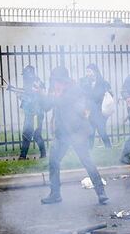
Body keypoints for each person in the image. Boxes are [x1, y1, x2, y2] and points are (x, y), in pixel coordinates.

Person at [40, 66, 107, 205]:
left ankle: (101, 192)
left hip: (77, 132)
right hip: (61, 133)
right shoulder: (54, 89)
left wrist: (49, 96)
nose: (55, 83)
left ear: (64, 80)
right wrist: (39, 95)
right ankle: (55, 194)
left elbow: (62, 102)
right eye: (54, 80)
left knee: (87, 162)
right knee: (53, 162)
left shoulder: (74, 89)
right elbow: (46, 106)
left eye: (57, 80)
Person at [17, 65, 47, 160]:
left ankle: (42, 154)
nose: (24, 77)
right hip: (30, 112)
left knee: (35, 134)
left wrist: (35, 91)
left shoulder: (36, 82)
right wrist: (20, 95)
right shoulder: (27, 84)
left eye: (25, 74)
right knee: (27, 133)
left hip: (36, 113)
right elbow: (26, 99)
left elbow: (42, 94)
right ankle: (23, 155)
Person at [81, 64, 113, 149]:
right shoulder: (85, 83)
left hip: (100, 112)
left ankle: (108, 147)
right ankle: (90, 150)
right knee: (91, 132)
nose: (87, 73)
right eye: (87, 71)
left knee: (101, 131)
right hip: (90, 112)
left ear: (94, 72)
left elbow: (110, 95)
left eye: (89, 71)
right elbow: (84, 96)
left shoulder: (103, 83)